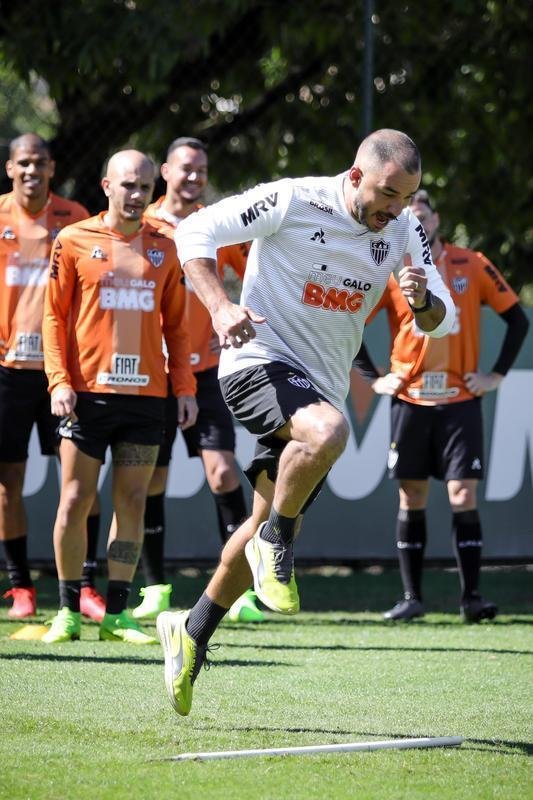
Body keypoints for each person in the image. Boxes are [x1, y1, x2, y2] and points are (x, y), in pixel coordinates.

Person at [155, 128, 456, 716]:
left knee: (259, 520)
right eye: (387, 193)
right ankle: (281, 542)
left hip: (316, 387)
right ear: (354, 176)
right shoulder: (295, 198)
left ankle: (192, 630)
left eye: (407, 197)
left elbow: (439, 320)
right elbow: (196, 231)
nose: (395, 208)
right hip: (255, 361)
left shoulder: (402, 229)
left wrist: (422, 301)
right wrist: (221, 306)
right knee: (330, 433)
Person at [41, 149, 197, 644]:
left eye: (145, 188)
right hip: (86, 395)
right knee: (74, 500)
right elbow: (54, 317)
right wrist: (58, 380)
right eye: (127, 185)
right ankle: (66, 611)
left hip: (148, 398)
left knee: (131, 501)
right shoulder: (72, 239)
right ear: (106, 185)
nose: (136, 195)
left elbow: (176, 323)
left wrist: (185, 388)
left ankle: (117, 614)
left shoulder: (167, 246)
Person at [354, 189, 529, 622]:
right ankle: (412, 598)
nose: (417, 221)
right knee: (411, 495)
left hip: (460, 401)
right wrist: (375, 379)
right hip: (410, 400)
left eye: (424, 214)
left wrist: (496, 375)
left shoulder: (472, 263)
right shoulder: (388, 269)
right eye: (408, 215)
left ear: (434, 221)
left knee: (461, 493)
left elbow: (517, 319)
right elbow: (350, 318)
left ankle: (471, 598)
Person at [134, 137, 262, 623]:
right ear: (165, 171)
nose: (193, 177)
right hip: (154, 373)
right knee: (151, 479)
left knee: (225, 473)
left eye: (201, 170)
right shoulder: (141, 223)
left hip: (207, 372)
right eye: (185, 168)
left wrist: (228, 318)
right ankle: (155, 588)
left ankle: (241, 591)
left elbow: (256, 278)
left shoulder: (217, 225)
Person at [0, 133, 104, 622]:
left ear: (51, 168)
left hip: (64, 371)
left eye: (39, 164)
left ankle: (85, 586)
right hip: (8, 371)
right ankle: (20, 588)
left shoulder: (75, 216)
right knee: (7, 482)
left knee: (79, 484)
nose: (31, 171)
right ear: (9, 168)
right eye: (23, 163)